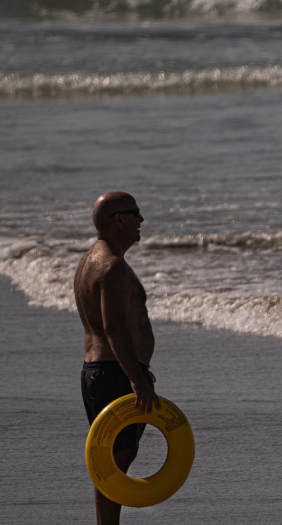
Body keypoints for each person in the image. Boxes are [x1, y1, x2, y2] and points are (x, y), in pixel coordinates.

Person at [76, 191, 161, 525]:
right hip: (114, 375)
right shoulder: (111, 267)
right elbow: (114, 328)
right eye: (136, 213)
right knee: (115, 463)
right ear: (118, 220)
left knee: (112, 462)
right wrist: (137, 379)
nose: (142, 220)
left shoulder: (92, 259)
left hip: (104, 372)